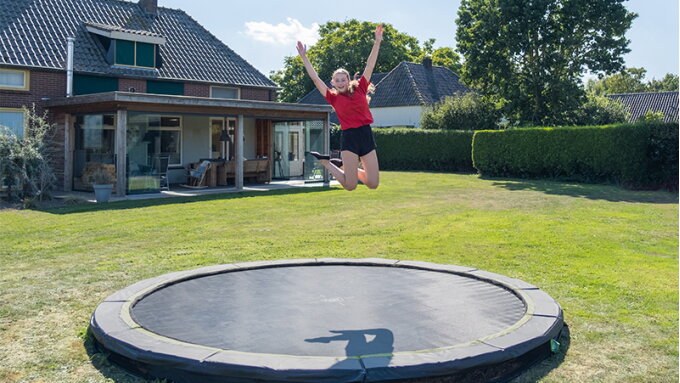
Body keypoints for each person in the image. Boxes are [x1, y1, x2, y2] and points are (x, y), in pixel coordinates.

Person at [296, 24, 383, 191]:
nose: (341, 82)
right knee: (350, 186)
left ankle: (344, 166)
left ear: (348, 80)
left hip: (365, 134)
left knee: (373, 183)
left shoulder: (360, 88)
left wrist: (377, 42)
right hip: (349, 137)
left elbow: (370, 66)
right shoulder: (333, 98)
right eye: (338, 80)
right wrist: (304, 57)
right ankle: (327, 163)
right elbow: (315, 79)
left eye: (344, 79)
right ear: (333, 83)